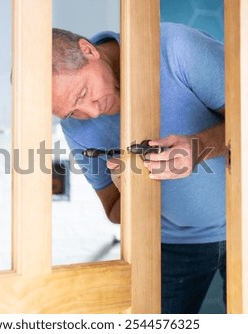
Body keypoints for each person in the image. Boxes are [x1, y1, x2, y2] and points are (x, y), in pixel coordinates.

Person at [52, 22, 226, 314]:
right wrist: (128, 187)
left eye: (83, 93)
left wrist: (199, 147)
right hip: (172, 244)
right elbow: (112, 210)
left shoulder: (174, 47)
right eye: (73, 111)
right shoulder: (75, 129)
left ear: (88, 50)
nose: (92, 112)